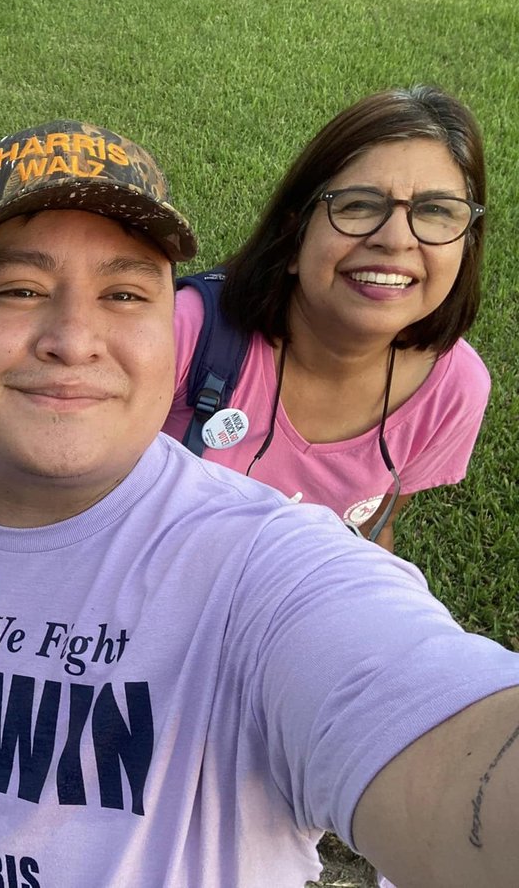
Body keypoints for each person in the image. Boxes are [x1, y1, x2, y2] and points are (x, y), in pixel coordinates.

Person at [0, 119, 519, 888]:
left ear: (170, 337)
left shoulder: (268, 571)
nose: (73, 339)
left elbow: (447, 743)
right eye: (18, 289)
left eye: (124, 295)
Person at [163, 86, 490, 552]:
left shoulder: (453, 389)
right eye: (359, 204)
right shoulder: (183, 334)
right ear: (294, 235)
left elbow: (368, 532)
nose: (396, 239)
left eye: (436, 210)